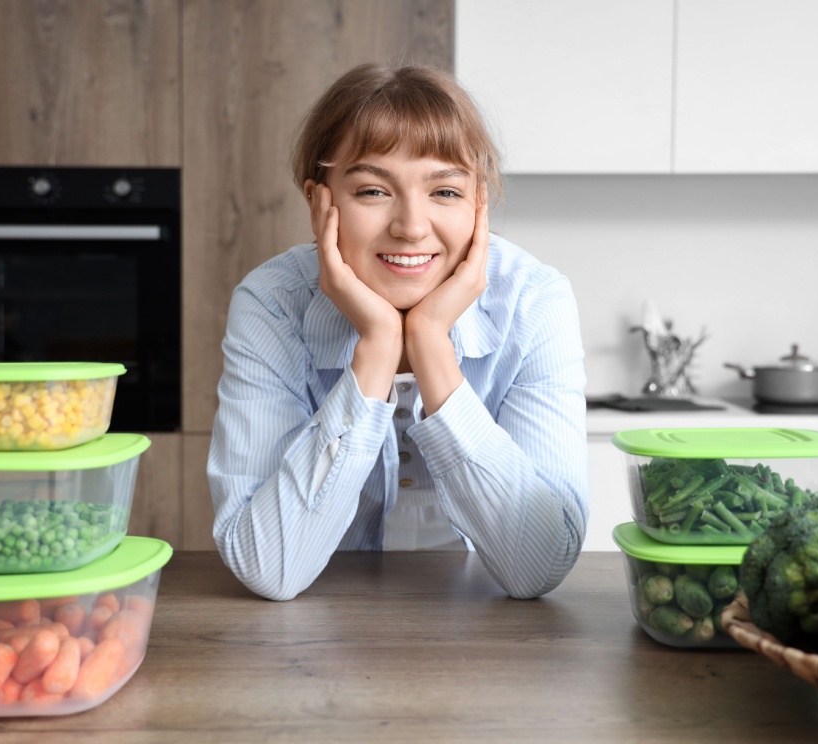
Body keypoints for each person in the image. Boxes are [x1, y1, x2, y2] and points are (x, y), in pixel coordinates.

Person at [206, 63, 588, 601]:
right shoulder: (272, 304)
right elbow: (270, 568)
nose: (411, 226)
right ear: (320, 203)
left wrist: (431, 343)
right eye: (372, 191)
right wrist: (378, 347)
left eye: (446, 192)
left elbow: (538, 569)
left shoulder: (534, 301)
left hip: (490, 641)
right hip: (322, 635)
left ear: (480, 201)